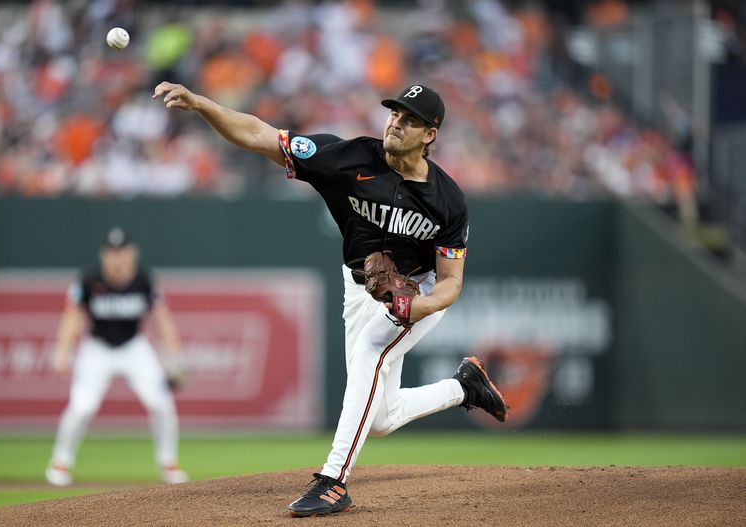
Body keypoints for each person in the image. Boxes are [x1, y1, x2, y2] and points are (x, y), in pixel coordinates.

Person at [152, 81, 507, 516]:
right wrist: (202, 102)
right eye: (395, 112)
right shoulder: (347, 158)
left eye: (410, 119)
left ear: (430, 135)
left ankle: (334, 481)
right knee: (379, 419)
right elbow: (259, 135)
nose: (396, 122)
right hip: (360, 287)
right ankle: (464, 387)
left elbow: (452, 281)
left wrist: (418, 307)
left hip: (418, 289)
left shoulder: (448, 200)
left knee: (369, 352)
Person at [45, 227, 189, 486]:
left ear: (132, 253)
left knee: (161, 404)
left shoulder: (144, 279)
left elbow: (161, 319)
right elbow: (73, 316)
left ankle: (169, 463)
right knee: (82, 406)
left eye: (122, 252)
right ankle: (60, 462)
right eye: (112, 253)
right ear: (104, 255)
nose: (118, 258)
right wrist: (62, 350)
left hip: (134, 347)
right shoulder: (89, 279)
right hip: (97, 348)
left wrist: (174, 357)